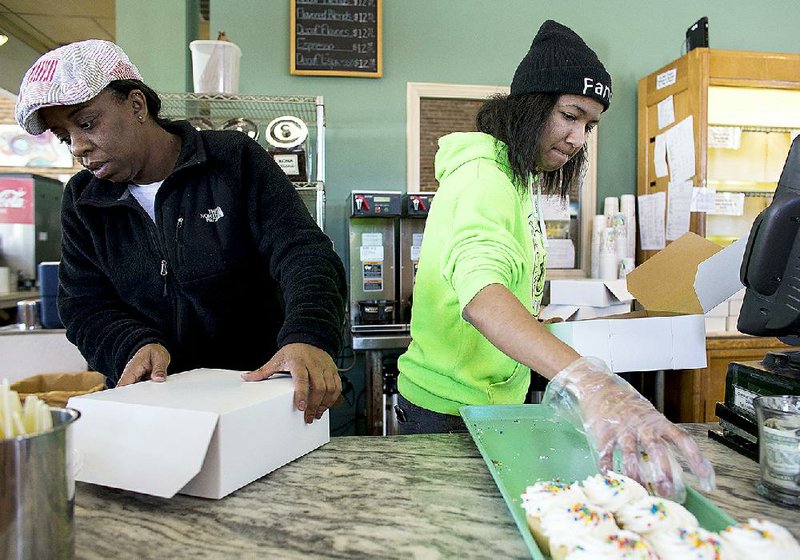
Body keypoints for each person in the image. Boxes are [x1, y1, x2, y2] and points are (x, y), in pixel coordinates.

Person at [395, 20, 714, 498]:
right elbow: (483, 298)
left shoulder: (518, 178)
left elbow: (510, 283)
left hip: (490, 400)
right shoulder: (484, 178)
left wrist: (537, 318)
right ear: (530, 105)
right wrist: (593, 383)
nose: (579, 138)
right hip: (448, 411)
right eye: (570, 114)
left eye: (589, 124)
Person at [15, 40, 346, 424]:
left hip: (258, 394)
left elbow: (302, 252)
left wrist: (308, 335)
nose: (77, 147)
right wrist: (131, 344)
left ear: (137, 105)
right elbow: (84, 304)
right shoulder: (83, 200)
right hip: (153, 403)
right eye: (63, 135)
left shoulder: (232, 159)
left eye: (87, 123)